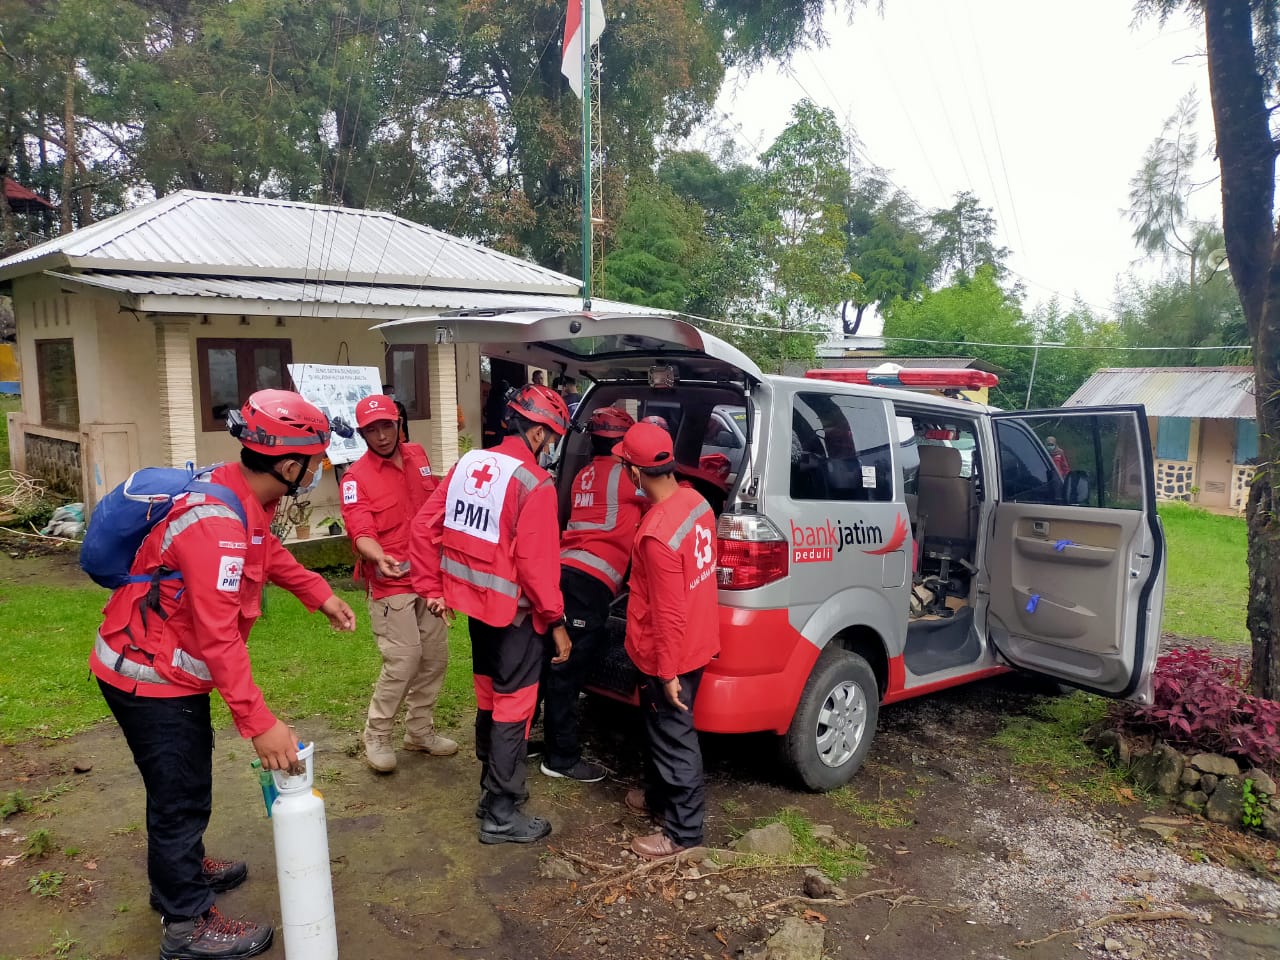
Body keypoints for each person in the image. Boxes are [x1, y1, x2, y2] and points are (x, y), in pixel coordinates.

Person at [90, 389, 357, 960]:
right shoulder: (217, 527)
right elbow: (218, 638)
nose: (316, 471)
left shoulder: (238, 494)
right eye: (314, 461)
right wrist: (261, 724)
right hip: (149, 677)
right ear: (290, 466)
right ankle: (186, 923)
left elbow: (270, 552)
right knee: (178, 795)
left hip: (161, 670)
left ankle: (183, 867)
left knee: (184, 781)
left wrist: (321, 595)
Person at [411, 383, 573, 845]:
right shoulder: (534, 484)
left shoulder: (467, 465)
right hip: (517, 617)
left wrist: (430, 587)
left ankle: (489, 792)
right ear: (540, 433)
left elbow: (424, 527)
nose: (551, 447)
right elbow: (538, 568)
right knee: (514, 709)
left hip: (475, 611)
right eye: (553, 437)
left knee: (488, 698)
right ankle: (502, 813)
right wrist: (557, 623)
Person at [612, 421, 720, 860]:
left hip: (668, 653)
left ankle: (683, 833)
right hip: (696, 638)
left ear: (635, 473)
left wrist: (668, 672)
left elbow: (669, 612)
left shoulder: (657, 534)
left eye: (624, 464)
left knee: (675, 737)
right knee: (659, 730)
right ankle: (658, 798)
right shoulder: (697, 503)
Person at [341, 394, 456, 774]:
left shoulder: (418, 456)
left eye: (386, 426)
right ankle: (377, 734)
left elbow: (434, 501)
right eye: (370, 430)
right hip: (392, 585)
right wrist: (377, 556)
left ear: (398, 423)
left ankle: (419, 732)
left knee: (435, 657)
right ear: (362, 435)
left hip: (430, 578)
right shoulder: (356, 478)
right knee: (404, 661)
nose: (381, 436)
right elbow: (360, 531)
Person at [539, 406, 645, 783]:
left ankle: (527, 738)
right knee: (568, 669)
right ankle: (561, 757)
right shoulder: (627, 477)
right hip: (589, 582)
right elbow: (668, 491)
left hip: (563, 570)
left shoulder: (584, 472)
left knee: (550, 660)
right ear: (623, 443)